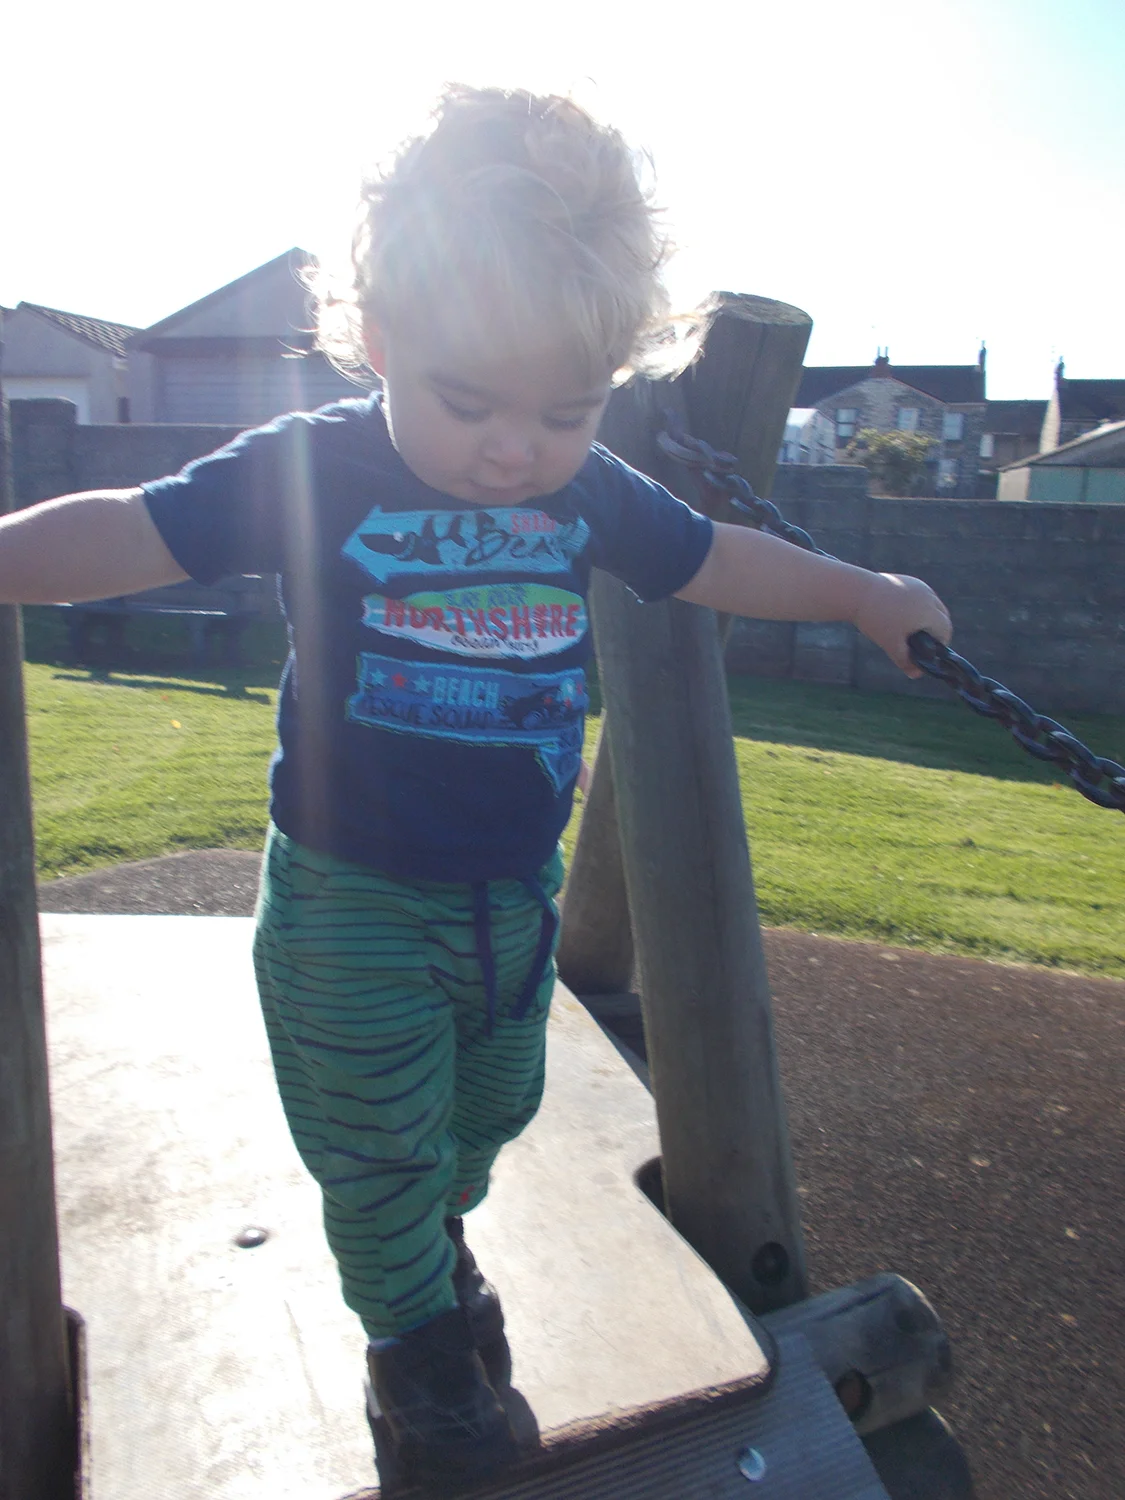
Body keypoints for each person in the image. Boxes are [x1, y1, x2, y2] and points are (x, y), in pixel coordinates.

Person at [0, 85, 951, 1489]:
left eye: (564, 413)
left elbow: (718, 561)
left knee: (488, 1117)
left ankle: (422, 1261)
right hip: (350, 898)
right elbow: (130, 528)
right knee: (378, 1141)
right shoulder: (318, 464)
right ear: (379, 339)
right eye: (470, 402)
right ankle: (417, 1361)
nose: (516, 448)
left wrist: (866, 592)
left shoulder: (586, 489)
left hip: (514, 898)